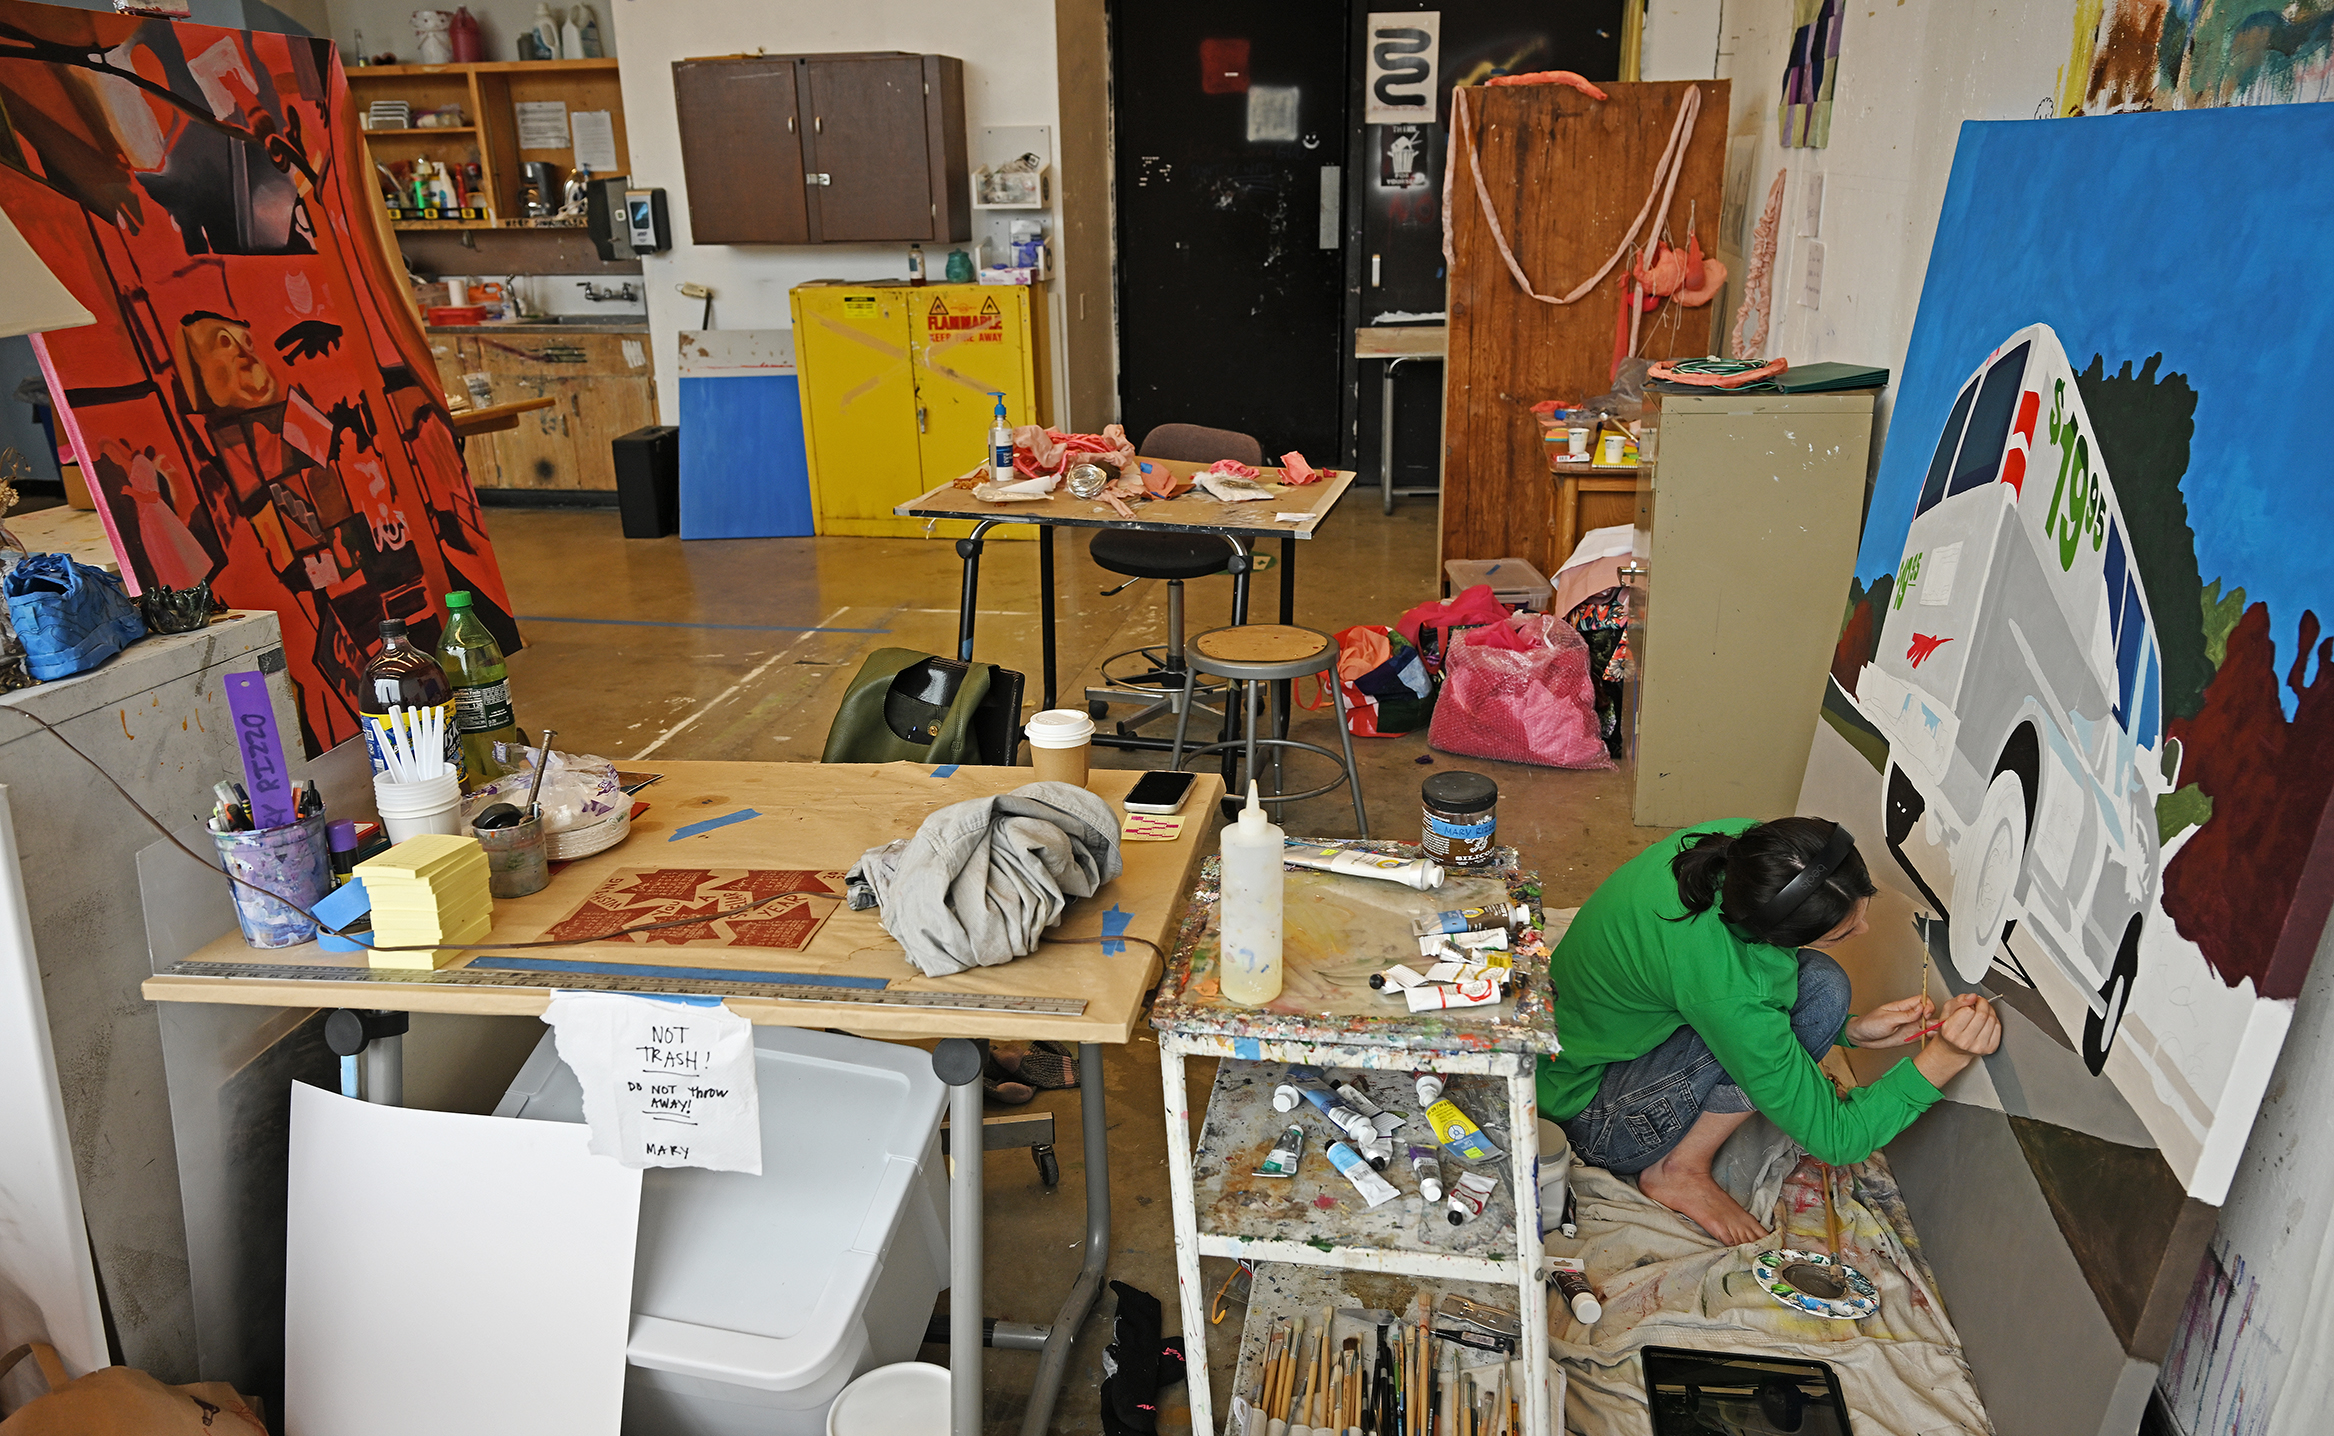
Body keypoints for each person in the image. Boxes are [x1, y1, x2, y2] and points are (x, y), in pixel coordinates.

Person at [1542, 816, 2002, 1244]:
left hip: (1569, 1053)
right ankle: (1678, 1169)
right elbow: (1839, 1139)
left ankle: (1683, 1160)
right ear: (1771, 935)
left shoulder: (1734, 845)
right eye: (1841, 933)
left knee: (1821, 986)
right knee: (1818, 987)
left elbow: (1726, 991)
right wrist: (1946, 1058)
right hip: (1596, 1114)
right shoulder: (1730, 990)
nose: (1863, 931)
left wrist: (1851, 1031)